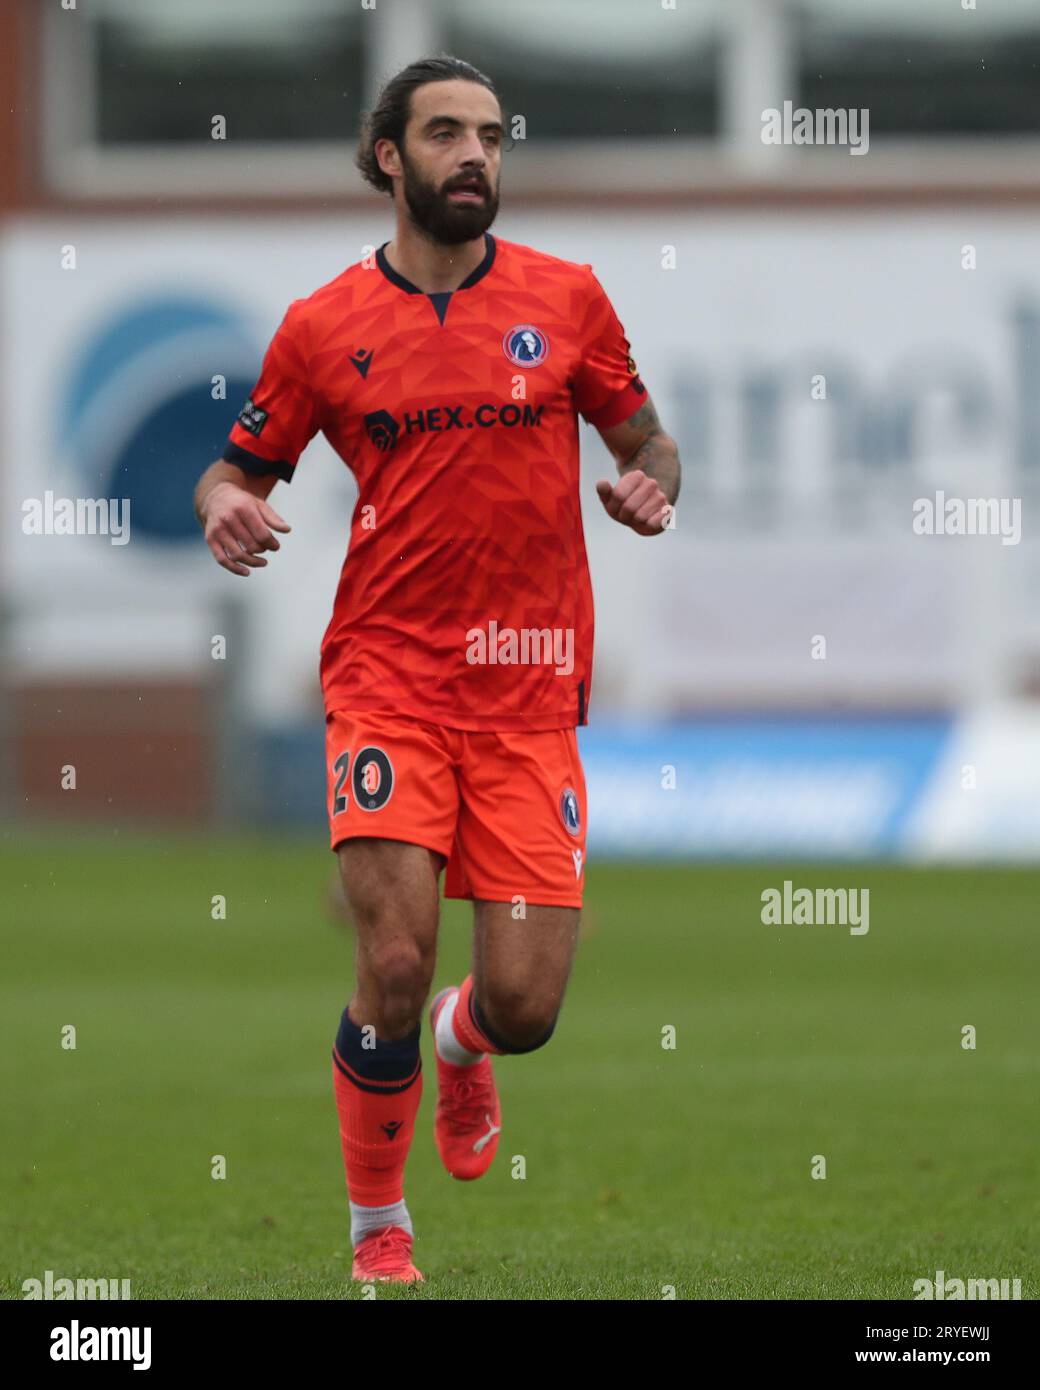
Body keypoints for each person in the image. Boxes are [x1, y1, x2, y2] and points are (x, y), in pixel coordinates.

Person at [193, 55, 680, 1283]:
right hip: (386, 681)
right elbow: (238, 467)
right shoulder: (321, 328)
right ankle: (376, 1231)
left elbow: (650, 440)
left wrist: (646, 486)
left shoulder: (567, 300)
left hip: (527, 693)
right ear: (387, 159)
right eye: (447, 134)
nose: (477, 156)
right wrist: (222, 508)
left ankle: (463, 1051)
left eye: (493, 137)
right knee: (394, 960)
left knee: (522, 1008)